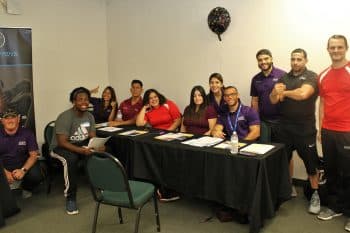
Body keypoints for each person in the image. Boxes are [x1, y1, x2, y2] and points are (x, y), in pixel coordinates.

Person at [270, 48, 320, 214]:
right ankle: (284, 191)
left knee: (311, 166)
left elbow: (303, 94)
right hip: (284, 128)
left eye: (299, 59)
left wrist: (283, 92)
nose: (295, 62)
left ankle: (315, 194)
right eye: (293, 59)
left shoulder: (312, 76)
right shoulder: (284, 77)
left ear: (305, 60)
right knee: (281, 162)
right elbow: (273, 100)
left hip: (305, 129)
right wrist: (274, 92)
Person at [50, 87, 105, 215]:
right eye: (80, 99)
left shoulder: (90, 116)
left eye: (86, 99)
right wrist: (81, 151)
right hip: (59, 148)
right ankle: (70, 198)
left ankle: (102, 184)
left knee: (106, 151)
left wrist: (97, 145)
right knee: (71, 159)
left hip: (80, 144)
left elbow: (91, 136)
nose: (84, 102)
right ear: (74, 101)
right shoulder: (65, 117)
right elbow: (62, 142)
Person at [317, 35, 350, 231]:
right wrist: (321, 127)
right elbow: (322, 102)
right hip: (329, 130)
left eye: (339, 47)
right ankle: (335, 207)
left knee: (349, 173)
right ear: (327, 49)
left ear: (345, 48)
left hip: (348, 131)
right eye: (332, 47)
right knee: (332, 171)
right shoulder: (323, 75)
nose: (335, 50)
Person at [0, 109, 43, 197]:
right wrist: (5, 172)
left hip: (22, 164)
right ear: (2, 121)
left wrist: (23, 170)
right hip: (3, 165)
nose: (10, 120)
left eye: (13, 117)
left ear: (19, 119)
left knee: (36, 176)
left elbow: (33, 155)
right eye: (6, 118)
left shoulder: (27, 133)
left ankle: (26, 188)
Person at [250, 49, 286, 140]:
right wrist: (255, 119)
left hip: (280, 122)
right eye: (260, 60)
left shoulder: (283, 75)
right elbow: (255, 100)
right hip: (263, 121)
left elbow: (285, 98)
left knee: (281, 149)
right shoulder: (255, 79)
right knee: (264, 149)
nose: (263, 62)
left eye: (266, 59)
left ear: (271, 59)